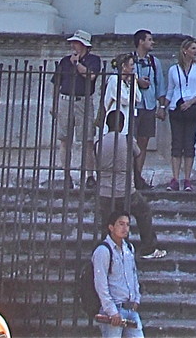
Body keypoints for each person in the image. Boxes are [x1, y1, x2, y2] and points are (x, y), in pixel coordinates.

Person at [96, 110, 166, 260]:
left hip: (105, 192)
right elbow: (138, 153)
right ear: (121, 125)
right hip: (125, 191)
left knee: (107, 223)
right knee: (144, 212)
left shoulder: (99, 142)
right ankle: (148, 247)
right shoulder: (127, 140)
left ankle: (106, 252)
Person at [51, 29, 101, 188]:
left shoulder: (93, 60)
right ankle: (66, 174)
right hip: (66, 100)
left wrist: (77, 64)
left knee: (87, 140)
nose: (73, 45)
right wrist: (55, 104)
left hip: (83, 101)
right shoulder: (64, 61)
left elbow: (91, 75)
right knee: (65, 139)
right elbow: (57, 83)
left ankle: (89, 175)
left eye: (76, 43)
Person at [92, 210, 144, 338]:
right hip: (113, 310)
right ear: (111, 227)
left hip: (130, 308)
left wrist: (136, 299)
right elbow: (101, 284)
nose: (125, 228)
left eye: (127, 224)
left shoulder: (129, 248)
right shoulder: (103, 251)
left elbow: (133, 275)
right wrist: (112, 311)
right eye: (121, 224)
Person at [165, 37, 196, 191]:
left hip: (193, 108)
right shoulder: (173, 70)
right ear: (185, 50)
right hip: (176, 108)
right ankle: (175, 178)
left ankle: (187, 179)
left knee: (189, 144)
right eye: (193, 48)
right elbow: (170, 89)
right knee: (176, 144)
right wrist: (164, 105)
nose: (195, 52)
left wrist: (192, 101)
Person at [132, 30, 166, 191]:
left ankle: (138, 176)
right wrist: (136, 81)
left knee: (143, 142)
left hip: (149, 105)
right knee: (129, 142)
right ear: (140, 41)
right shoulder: (129, 60)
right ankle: (129, 176)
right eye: (149, 40)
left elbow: (160, 85)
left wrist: (162, 106)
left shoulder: (154, 62)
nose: (152, 43)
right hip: (132, 106)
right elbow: (120, 79)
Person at [100, 53, 141, 135]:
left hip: (127, 120)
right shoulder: (114, 79)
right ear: (124, 66)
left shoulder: (127, 81)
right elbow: (125, 100)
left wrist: (133, 83)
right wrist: (132, 85)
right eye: (131, 64)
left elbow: (139, 98)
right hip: (116, 120)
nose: (133, 67)